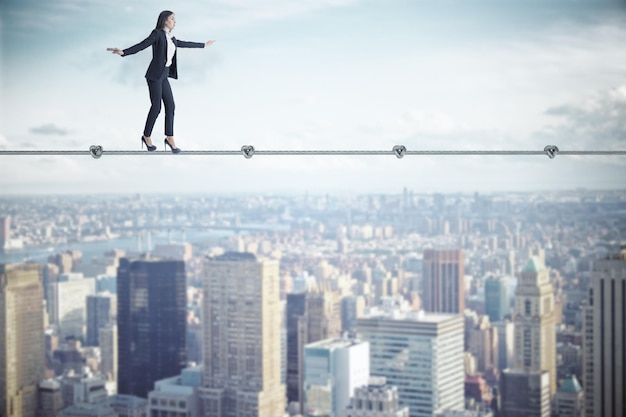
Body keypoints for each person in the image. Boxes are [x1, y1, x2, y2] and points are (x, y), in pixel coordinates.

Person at [107, 10, 215, 153]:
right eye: (172, 19)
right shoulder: (157, 34)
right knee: (156, 107)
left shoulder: (172, 38)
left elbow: (184, 44)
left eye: (175, 19)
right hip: (154, 75)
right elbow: (142, 45)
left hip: (164, 75)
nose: (174, 21)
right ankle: (146, 136)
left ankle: (169, 137)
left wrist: (204, 45)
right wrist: (124, 52)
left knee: (171, 106)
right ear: (165, 20)